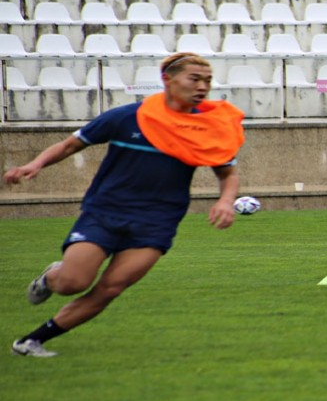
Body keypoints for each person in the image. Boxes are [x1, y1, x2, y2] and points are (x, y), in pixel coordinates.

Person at [4, 52, 245, 356]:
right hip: (106, 211)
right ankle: (53, 276)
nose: (202, 87)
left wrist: (225, 201)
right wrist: (35, 164)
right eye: (194, 79)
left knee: (111, 288)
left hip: (158, 221)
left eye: (207, 81)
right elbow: (70, 145)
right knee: (72, 283)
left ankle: (31, 341)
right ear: (167, 80)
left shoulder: (207, 127)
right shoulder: (128, 117)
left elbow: (227, 173)